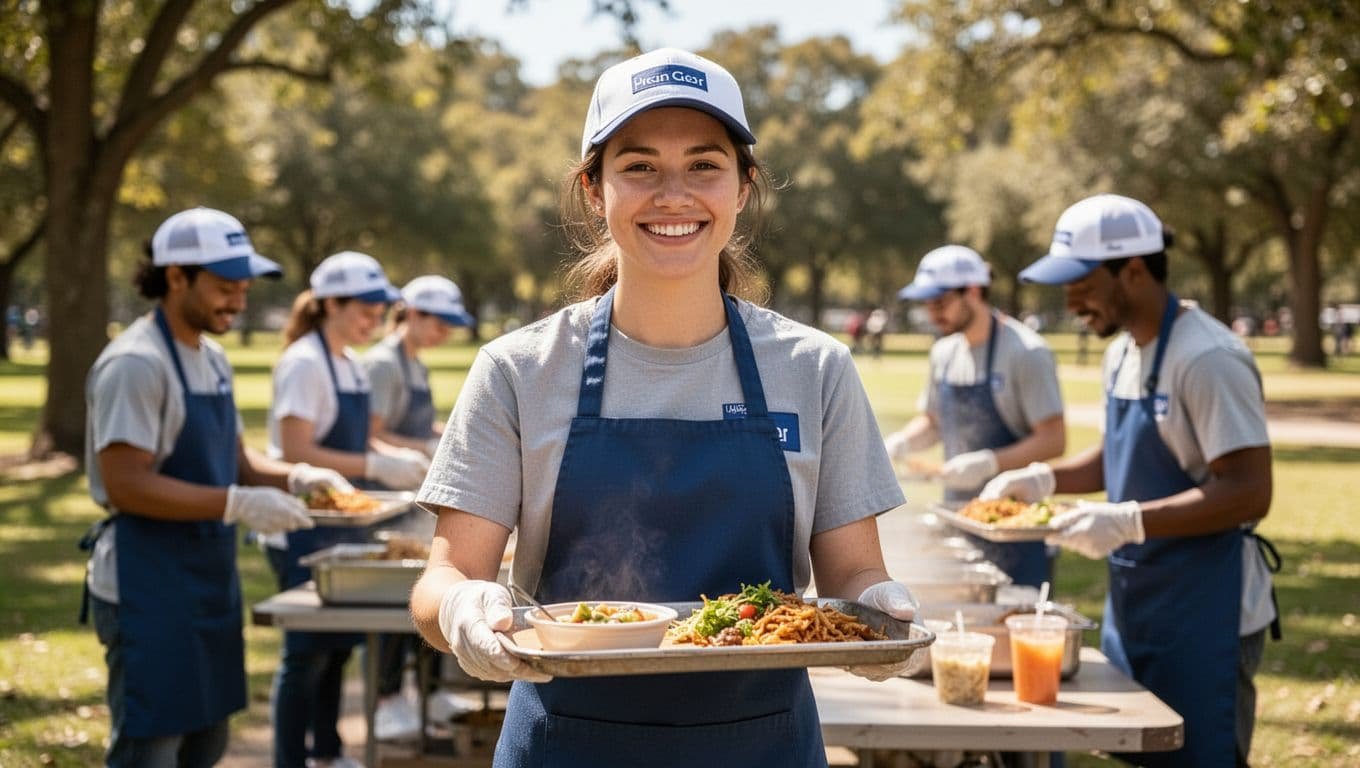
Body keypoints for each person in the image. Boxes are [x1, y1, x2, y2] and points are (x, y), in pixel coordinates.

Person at [409, 47, 918, 767]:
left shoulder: (815, 369)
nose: (673, 194)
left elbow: (852, 578)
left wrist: (884, 611)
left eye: (704, 165)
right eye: (639, 166)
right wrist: (464, 610)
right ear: (595, 189)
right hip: (566, 744)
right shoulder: (519, 371)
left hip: (764, 746)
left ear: (743, 188)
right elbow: (444, 579)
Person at [982, 194, 1280, 766]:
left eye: (1082, 284)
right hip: (1139, 602)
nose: (1070, 303)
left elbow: (1248, 489)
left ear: (1135, 271)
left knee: (1200, 755)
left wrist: (1128, 520)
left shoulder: (1207, 358)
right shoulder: (1122, 352)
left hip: (1209, 613)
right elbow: (1119, 454)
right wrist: (1042, 478)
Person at [80, 207, 349, 767]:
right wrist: (237, 503)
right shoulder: (136, 363)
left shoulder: (213, 358)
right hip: (143, 585)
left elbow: (233, 458)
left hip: (205, 582)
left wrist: (295, 476)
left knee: (207, 742)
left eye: (244, 288)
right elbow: (125, 484)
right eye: (226, 287)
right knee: (150, 747)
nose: (239, 302)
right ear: (175, 275)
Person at [264, 250, 431, 768]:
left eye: (379, 312)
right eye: (364, 309)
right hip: (302, 528)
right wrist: (373, 466)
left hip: (345, 529)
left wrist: (399, 460)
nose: (373, 321)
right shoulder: (303, 363)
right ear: (330, 303)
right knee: (305, 656)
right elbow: (296, 450)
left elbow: (363, 440)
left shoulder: (350, 364)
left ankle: (329, 752)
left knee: (337, 647)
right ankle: (292, 759)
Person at [883, 245, 1066, 588]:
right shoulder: (944, 352)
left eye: (940, 302)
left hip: (1015, 526)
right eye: (927, 303)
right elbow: (934, 421)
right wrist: (901, 444)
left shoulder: (1027, 353)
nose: (932, 313)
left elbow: (1054, 438)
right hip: (959, 519)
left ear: (974, 290)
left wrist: (989, 462)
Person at [359, 275, 475, 740]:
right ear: (412, 314)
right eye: (439, 322)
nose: (444, 333)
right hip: (387, 504)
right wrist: (422, 452)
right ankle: (386, 699)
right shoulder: (383, 365)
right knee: (393, 607)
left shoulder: (416, 365)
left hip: (416, 503)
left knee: (425, 598)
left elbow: (420, 426)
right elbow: (372, 434)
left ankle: (426, 693)